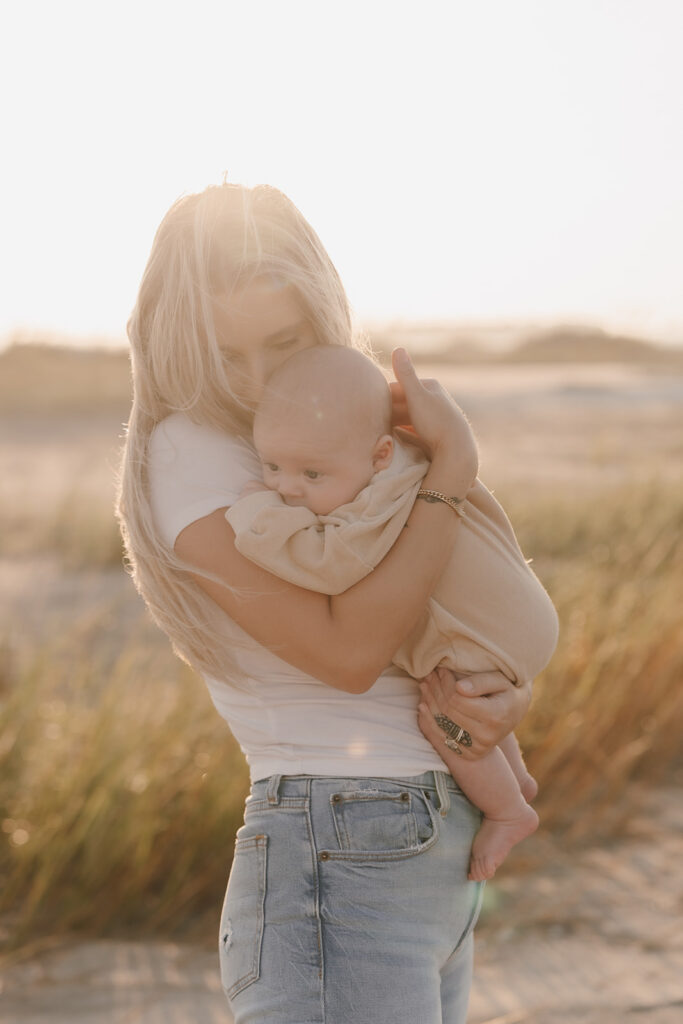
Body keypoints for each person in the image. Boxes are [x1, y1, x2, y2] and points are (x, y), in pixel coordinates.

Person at [117, 182, 536, 1024]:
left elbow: (421, 609)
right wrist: (446, 478)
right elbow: (347, 658)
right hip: (335, 838)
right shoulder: (191, 450)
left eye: (284, 341)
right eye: (226, 351)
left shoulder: (321, 432)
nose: (259, 377)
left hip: (417, 836)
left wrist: (494, 693)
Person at [225, 345, 558, 882]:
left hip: (481, 636)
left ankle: (507, 810)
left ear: (380, 454)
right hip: (518, 617)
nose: (287, 487)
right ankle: (517, 776)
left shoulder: (373, 503)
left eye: (311, 474)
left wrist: (255, 511)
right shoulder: (408, 458)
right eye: (271, 467)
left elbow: (329, 564)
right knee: (477, 696)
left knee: (445, 712)